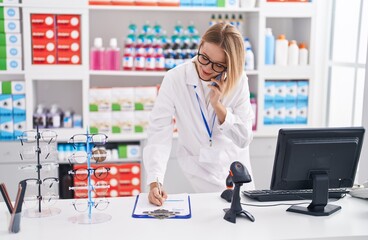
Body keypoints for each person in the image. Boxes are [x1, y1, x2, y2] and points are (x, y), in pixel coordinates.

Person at [143, 22, 255, 206]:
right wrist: (155, 181)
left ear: (230, 66)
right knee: (208, 220)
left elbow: (244, 138)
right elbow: (159, 131)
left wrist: (218, 106)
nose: (207, 68)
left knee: (240, 226)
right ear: (200, 45)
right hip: (199, 168)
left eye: (218, 65)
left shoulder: (239, 80)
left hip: (235, 169)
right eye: (204, 57)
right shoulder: (175, 78)